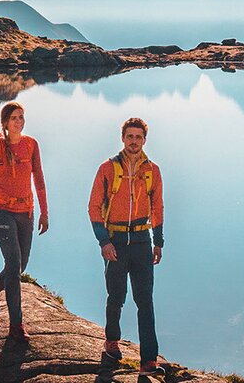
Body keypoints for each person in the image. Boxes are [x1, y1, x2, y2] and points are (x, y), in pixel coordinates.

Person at [87, 117, 164, 373]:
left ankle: (148, 361)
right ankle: (111, 343)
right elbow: (94, 208)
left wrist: (158, 242)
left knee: (145, 301)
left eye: (138, 137)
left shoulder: (152, 170)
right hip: (116, 242)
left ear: (144, 140)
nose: (134, 141)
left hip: (143, 241)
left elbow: (158, 207)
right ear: (123, 138)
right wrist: (104, 241)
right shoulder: (107, 169)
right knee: (116, 297)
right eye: (130, 136)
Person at [0, 101, 48, 340]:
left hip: (25, 211)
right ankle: (16, 325)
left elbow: (38, 179)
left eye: (21, 117)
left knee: (20, 266)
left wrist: (45, 212)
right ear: (5, 123)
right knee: (14, 261)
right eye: (14, 118)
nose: (19, 121)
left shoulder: (31, 145)